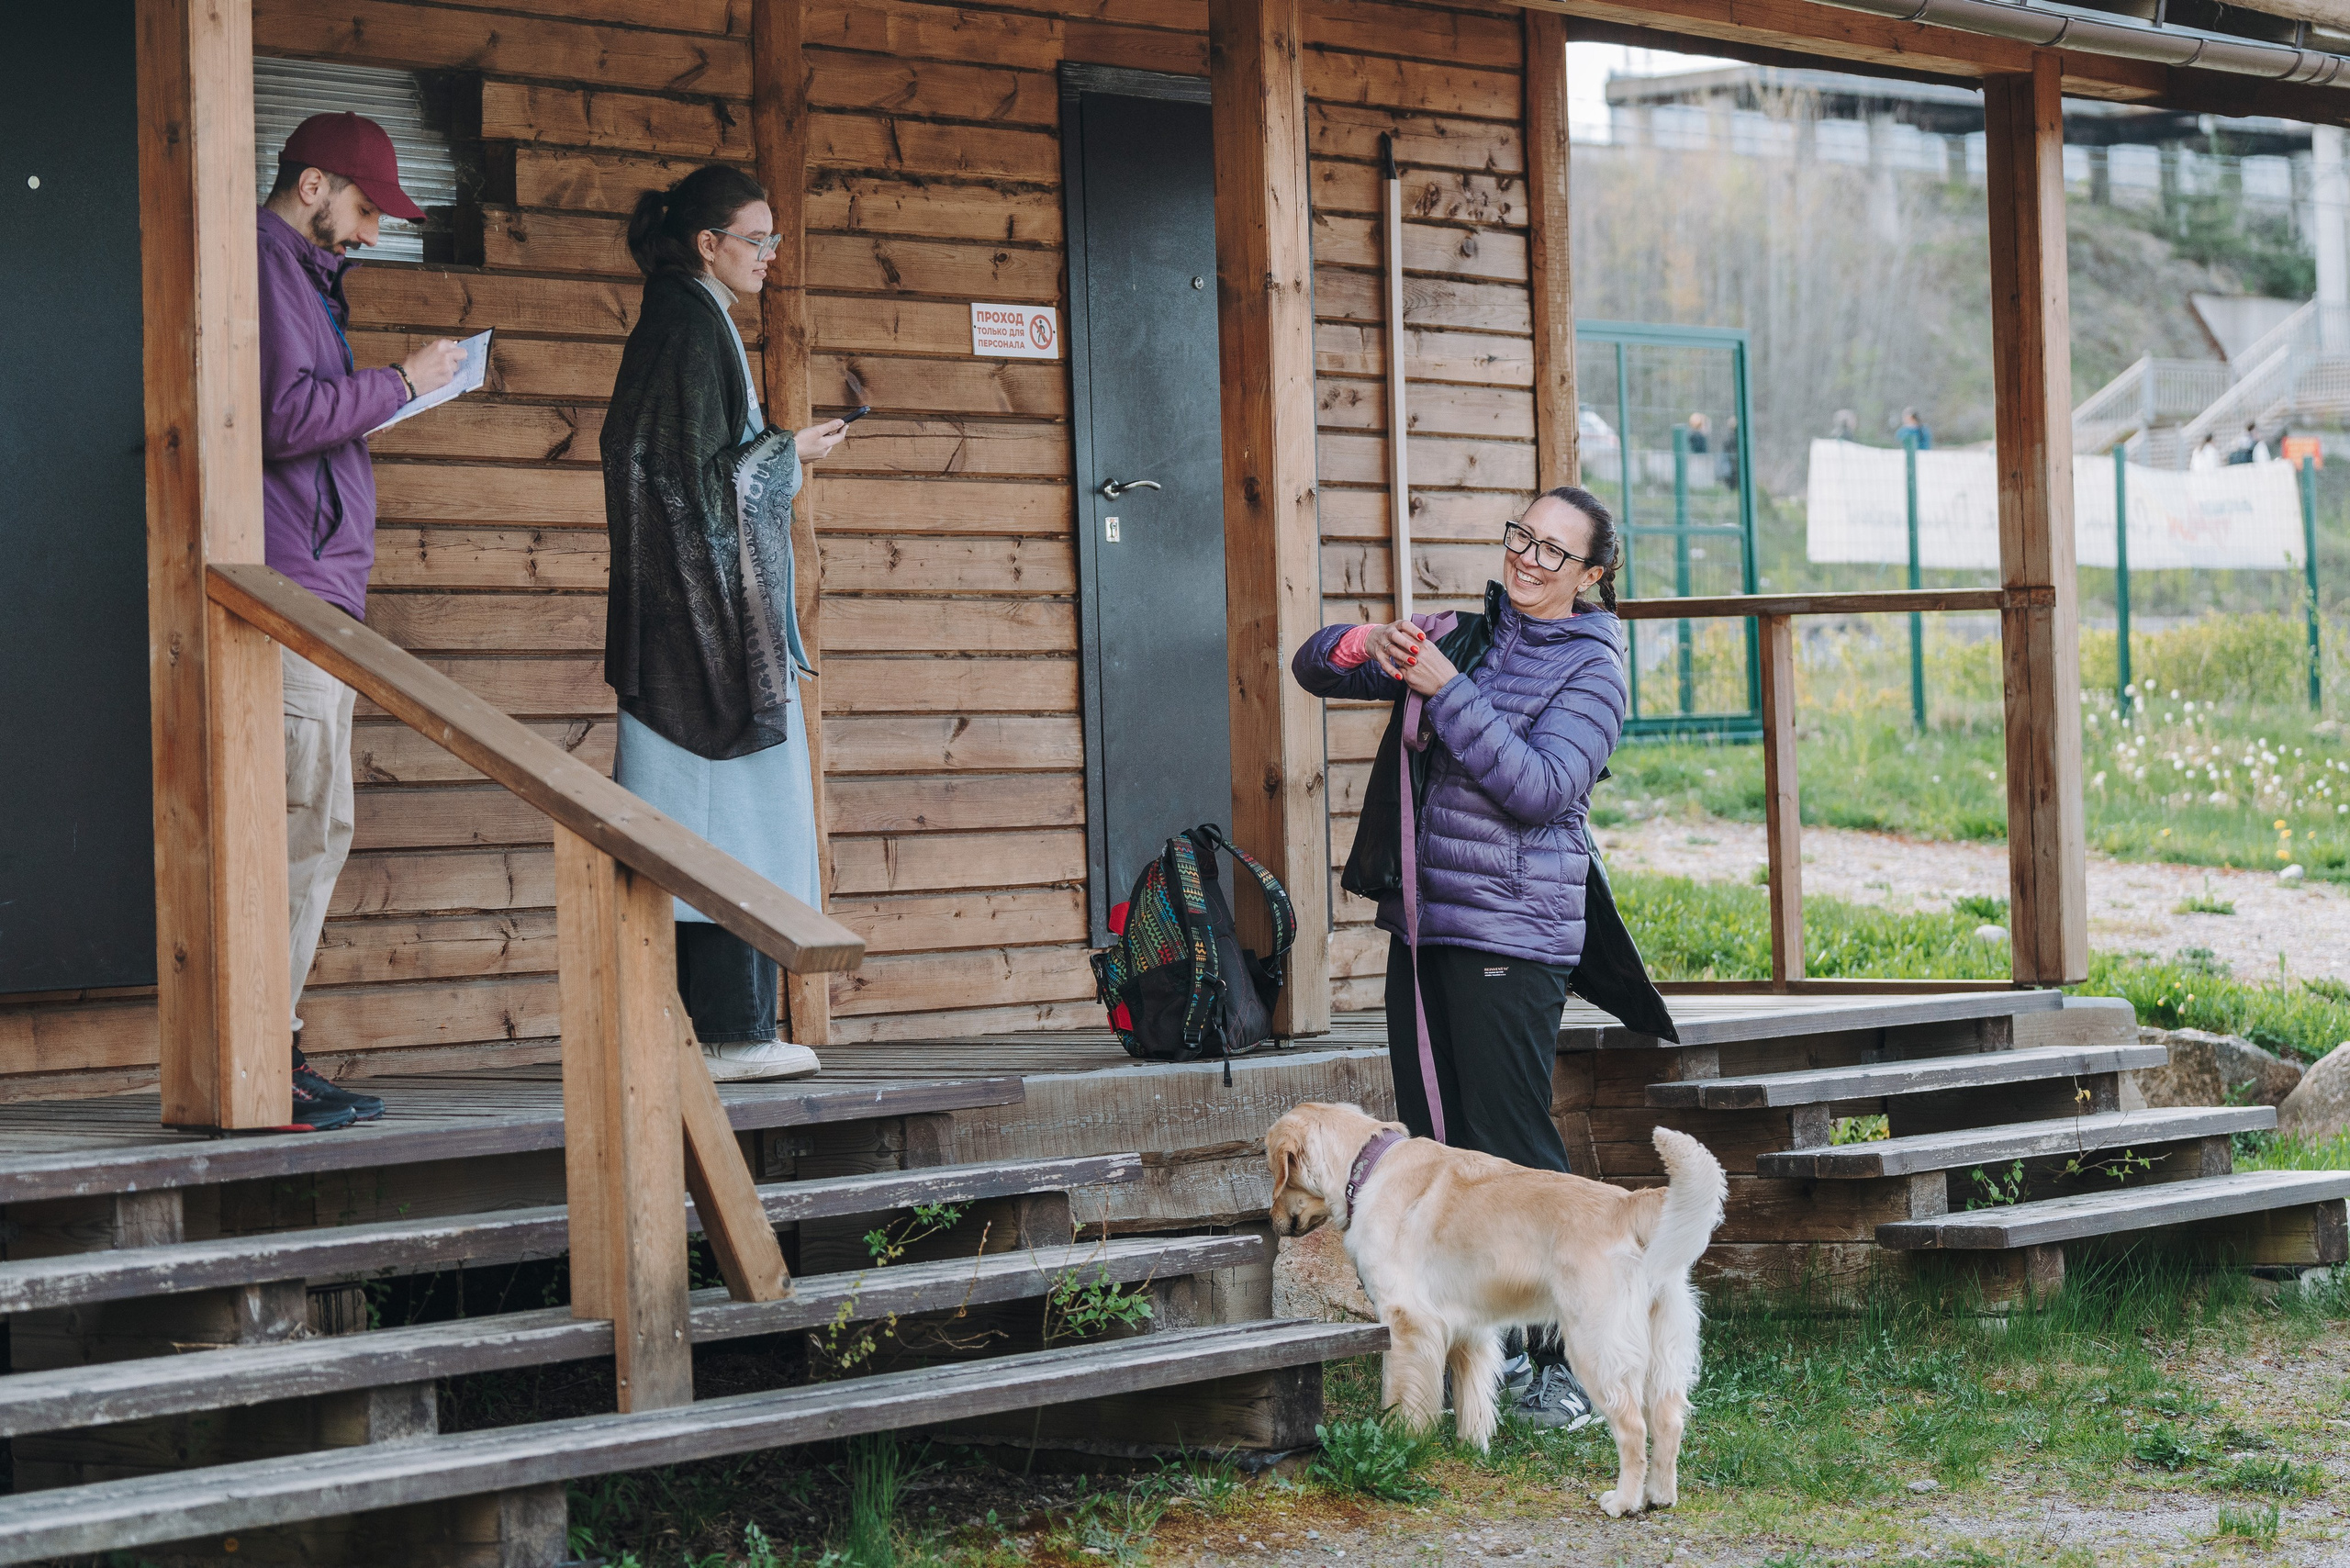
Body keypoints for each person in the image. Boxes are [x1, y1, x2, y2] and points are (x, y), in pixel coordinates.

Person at [1290, 486, 1631, 1429]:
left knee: (1513, 1153)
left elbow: (1542, 788)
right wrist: (1366, 643)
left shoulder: (1594, 669)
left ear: (1591, 574)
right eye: (1521, 535)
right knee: (1441, 1145)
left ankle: (1571, 1367)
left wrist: (1448, 690)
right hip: (1425, 923)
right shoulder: (1466, 635)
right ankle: (1490, 1354)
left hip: (1512, 935)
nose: (1526, 556)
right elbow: (1312, 666)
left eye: (1553, 549)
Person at [601, 165, 849, 1081]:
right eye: (757, 239)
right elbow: (687, 484)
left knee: (709, 823)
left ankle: (720, 1031)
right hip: (701, 633)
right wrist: (788, 450)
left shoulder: (687, 320)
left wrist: (779, 451)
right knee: (728, 825)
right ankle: (732, 1035)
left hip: (685, 621)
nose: (770, 256)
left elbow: (687, 472)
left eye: (774, 239)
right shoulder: (687, 328)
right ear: (708, 244)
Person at [261, 112, 466, 1131]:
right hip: (288, 590)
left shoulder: (303, 277)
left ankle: (275, 1048)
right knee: (298, 824)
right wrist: (402, 383)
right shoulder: (267, 267)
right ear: (313, 186)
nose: (376, 233)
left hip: (319, 593)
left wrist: (387, 392)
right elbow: (283, 416)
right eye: (368, 209)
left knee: (316, 824)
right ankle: (263, 1056)